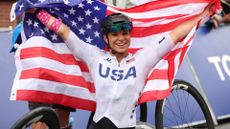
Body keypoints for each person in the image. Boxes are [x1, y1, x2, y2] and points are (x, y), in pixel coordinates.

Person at [33, 3, 214, 129]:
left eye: (125, 33)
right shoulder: (94, 56)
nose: (121, 39)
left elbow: (176, 35)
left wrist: (204, 14)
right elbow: (64, 32)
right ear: (106, 39)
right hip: (97, 125)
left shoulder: (143, 58)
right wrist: (36, 12)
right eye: (115, 35)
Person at [10, 23, 75, 129]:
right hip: (41, 72)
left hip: (64, 66)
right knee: (41, 115)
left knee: (62, 113)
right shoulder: (26, 24)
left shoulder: (67, 18)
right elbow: (18, 54)